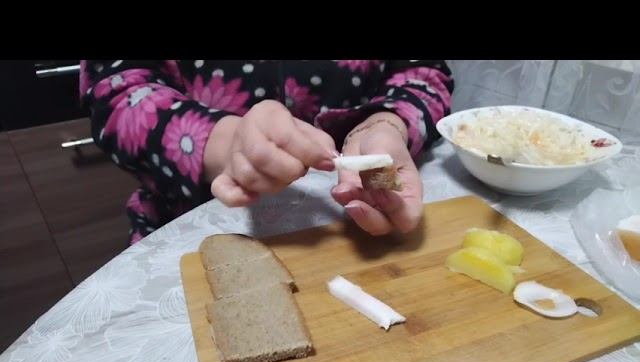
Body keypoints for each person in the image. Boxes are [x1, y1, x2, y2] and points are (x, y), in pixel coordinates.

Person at [80, 60, 454, 244]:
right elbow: (117, 93)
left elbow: (423, 72)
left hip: (352, 232)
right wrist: (229, 144)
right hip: (194, 233)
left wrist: (385, 125)